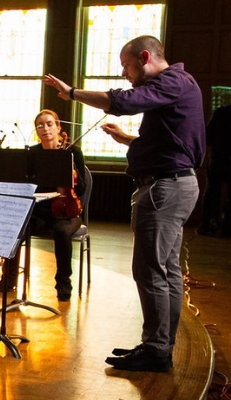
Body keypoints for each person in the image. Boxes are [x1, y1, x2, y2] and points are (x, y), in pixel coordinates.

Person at [44, 35, 204, 372]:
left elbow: (125, 101)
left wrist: (72, 93)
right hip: (173, 185)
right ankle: (158, 345)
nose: (124, 74)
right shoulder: (179, 86)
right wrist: (129, 139)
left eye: (127, 66)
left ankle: (157, 351)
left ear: (145, 57)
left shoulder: (172, 81)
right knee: (165, 271)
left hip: (164, 190)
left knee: (149, 272)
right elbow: (172, 143)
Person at [0, 109, 86, 301]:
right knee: (16, 228)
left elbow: (83, 188)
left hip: (67, 211)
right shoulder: (32, 154)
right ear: (36, 131)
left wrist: (72, 172)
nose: (45, 129)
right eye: (40, 126)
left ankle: (63, 283)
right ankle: (9, 278)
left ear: (58, 126)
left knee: (62, 232)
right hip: (39, 211)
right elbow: (26, 183)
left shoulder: (72, 152)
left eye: (49, 124)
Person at [198, 104, 231, 236]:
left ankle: (207, 225)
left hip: (217, 158)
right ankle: (227, 229)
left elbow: (207, 136)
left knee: (211, 192)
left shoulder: (221, 112)